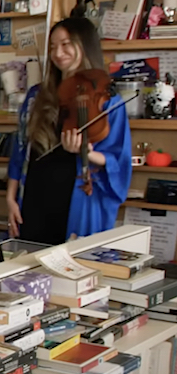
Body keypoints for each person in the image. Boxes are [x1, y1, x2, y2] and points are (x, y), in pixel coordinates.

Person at [7, 18, 131, 245]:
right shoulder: (37, 95)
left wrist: (86, 152)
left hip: (77, 198)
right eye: (53, 47)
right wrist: (10, 198)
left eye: (66, 44)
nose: (58, 53)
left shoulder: (107, 99)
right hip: (34, 196)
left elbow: (118, 158)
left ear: (84, 45)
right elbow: (20, 150)